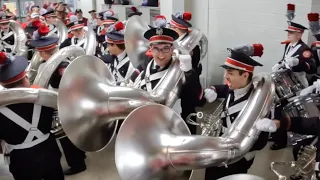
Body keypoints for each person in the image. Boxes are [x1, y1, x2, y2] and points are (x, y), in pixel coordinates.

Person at [202, 44, 268, 179]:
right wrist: (214, 89)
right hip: (218, 150)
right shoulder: (234, 87)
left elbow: (260, 142)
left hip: (238, 158)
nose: (226, 76)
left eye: (230, 73)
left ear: (245, 75)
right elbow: (224, 89)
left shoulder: (257, 103)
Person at [30, 24, 87, 176]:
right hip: (60, 104)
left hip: (62, 105)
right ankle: (79, 157)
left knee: (65, 136)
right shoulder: (48, 64)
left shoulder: (63, 66)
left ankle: (77, 164)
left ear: (42, 52)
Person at [0, 52, 64, 180]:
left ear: (3, 84)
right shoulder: (45, 97)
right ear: (25, 78)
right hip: (49, 152)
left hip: (21, 160)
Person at [134, 26, 203, 134]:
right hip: (145, 127)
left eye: (165, 48)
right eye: (156, 48)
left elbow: (196, 100)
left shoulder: (182, 69)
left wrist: (189, 72)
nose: (161, 54)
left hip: (174, 130)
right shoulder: (143, 67)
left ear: (172, 49)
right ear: (150, 49)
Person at [270, 20, 317, 151]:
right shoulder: (289, 46)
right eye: (288, 32)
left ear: (299, 34)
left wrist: (298, 63)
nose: (288, 34)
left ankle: (284, 140)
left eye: (291, 33)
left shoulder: (305, 49)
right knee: (279, 108)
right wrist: (279, 64)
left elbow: (312, 67)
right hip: (286, 83)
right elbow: (285, 59)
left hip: (297, 85)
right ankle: (278, 136)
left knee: (289, 112)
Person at [169, 12, 202, 134]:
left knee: (188, 110)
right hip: (175, 80)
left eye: (171, 27)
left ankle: (190, 134)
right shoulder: (176, 42)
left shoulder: (192, 46)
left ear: (176, 28)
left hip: (187, 82)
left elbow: (192, 66)